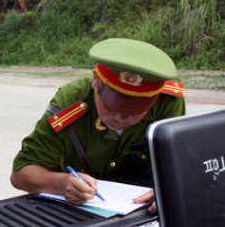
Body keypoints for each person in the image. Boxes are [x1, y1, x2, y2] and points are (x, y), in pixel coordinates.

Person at [11, 38, 186, 214]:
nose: (119, 117)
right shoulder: (68, 104)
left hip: (140, 207)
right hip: (77, 211)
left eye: (133, 112)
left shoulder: (168, 100)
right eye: (110, 106)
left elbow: (176, 162)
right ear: (96, 81)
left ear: (154, 99)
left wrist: (166, 189)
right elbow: (21, 174)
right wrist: (61, 183)